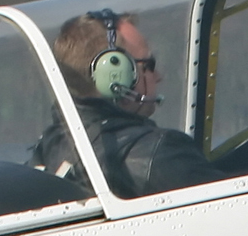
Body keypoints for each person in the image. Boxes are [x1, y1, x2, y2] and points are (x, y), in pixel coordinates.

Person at [32, 12, 231, 199]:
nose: (158, 76)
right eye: (149, 65)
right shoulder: (159, 154)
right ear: (115, 76)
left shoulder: (48, 146)